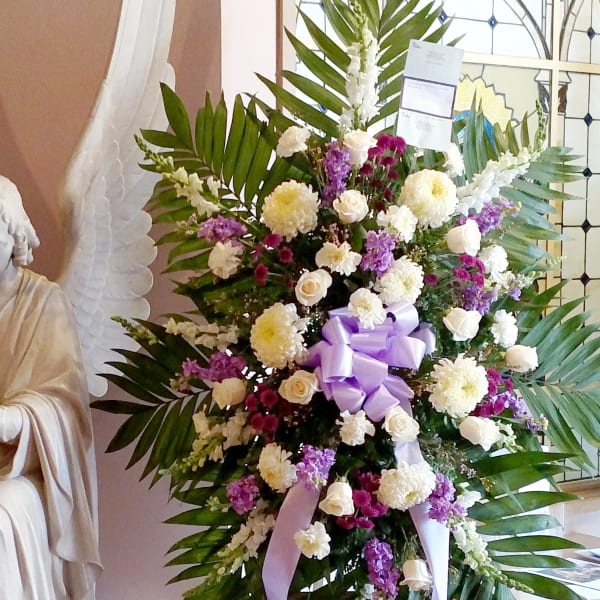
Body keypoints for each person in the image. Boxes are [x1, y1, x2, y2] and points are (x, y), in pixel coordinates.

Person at [0, 175, 101, 599]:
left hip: (24, 472)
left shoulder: (45, 302)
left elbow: (68, 410)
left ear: (14, 234)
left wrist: (12, 421)